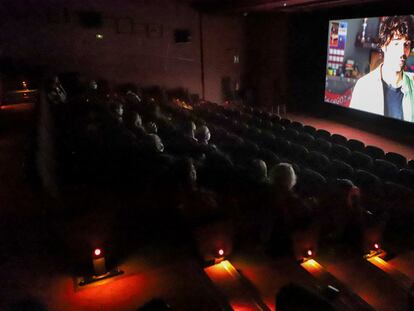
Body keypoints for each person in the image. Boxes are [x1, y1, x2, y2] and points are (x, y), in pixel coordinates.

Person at [350, 16, 414, 122]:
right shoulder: (363, 87)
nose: (402, 52)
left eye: (406, 45)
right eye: (396, 43)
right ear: (384, 45)